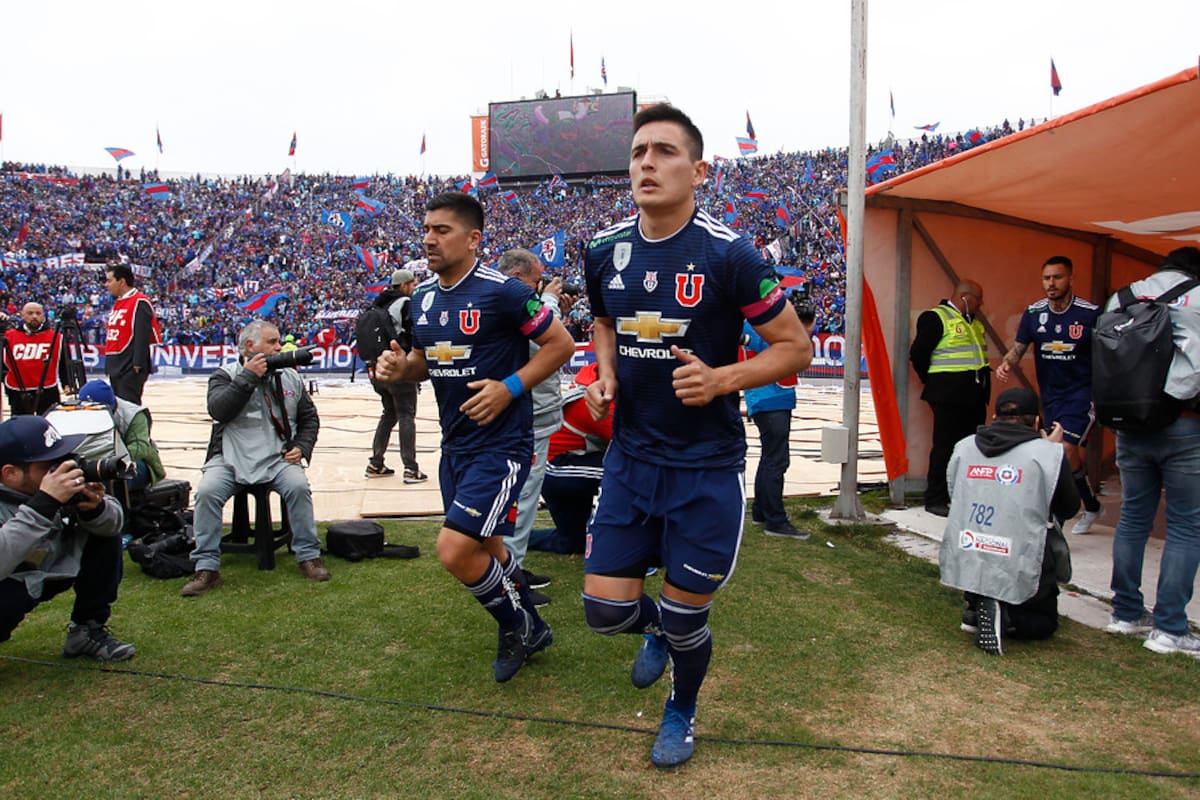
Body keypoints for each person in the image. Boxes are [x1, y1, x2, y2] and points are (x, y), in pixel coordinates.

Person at [581, 104, 811, 768]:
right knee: (604, 612)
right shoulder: (604, 250)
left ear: (699, 170)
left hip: (706, 467)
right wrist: (604, 374)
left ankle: (682, 709)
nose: (646, 164)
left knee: (688, 622)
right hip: (630, 459)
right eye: (637, 153)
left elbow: (793, 347)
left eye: (664, 152)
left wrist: (722, 381)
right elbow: (602, 319)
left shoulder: (729, 254)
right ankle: (658, 631)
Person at [375, 192, 574, 682]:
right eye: (426, 229)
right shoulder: (420, 298)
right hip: (455, 445)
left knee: (454, 549)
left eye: (442, 230)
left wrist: (509, 388)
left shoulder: (503, 291)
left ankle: (517, 625)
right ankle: (535, 626)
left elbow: (561, 343)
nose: (429, 239)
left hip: (501, 445)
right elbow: (425, 363)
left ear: (473, 238)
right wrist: (402, 368)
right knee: (489, 545)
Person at [180, 319, 330, 596]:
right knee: (207, 492)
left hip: (278, 458)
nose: (279, 347)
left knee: (298, 487)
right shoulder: (224, 375)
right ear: (250, 346)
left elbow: (309, 419)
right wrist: (248, 377)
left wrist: (302, 445)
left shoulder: (290, 376)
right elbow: (219, 410)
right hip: (229, 457)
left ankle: (308, 556)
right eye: (272, 342)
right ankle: (206, 567)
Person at [1104, 246, 1200, 658]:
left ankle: (1125, 614)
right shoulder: (1197, 296)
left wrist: (1141, 411)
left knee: (1133, 517)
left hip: (1129, 423)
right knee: (1184, 526)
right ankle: (1169, 629)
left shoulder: (1122, 296)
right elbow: (1196, 366)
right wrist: (1167, 405)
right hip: (1182, 424)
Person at [939, 388, 1079, 656]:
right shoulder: (1047, 454)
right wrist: (1051, 449)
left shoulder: (964, 447)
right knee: (1044, 624)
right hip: (1022, 555)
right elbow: (1068, 507)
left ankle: (976, 609)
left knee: (986, 545)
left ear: (994, 417)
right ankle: (1009, 618)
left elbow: (955, 493)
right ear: (1037, 422)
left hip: (972, 550)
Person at [0, 415, 135, 661]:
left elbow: (114, 522)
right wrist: (44, 505)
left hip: (38, 574)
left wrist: (96, 509)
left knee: (102, 529)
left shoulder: (55, 489)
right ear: (11, 474)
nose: (61, 469)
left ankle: (86, 631)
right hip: (10, 585)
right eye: (49, 465)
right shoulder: (44, 497)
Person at [996, 256, 1103, 534]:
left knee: (1064, 449)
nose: (1051, 283)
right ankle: (1090, 505)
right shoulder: (1034, 313)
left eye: (1057, 277)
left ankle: (1056, 515)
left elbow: (1107, 352)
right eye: (1047, 278)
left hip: (1082, 393)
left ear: (1070, 279)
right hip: (1051, 396)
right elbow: (1020, 346)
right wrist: (1007, 362)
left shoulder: (1090, 313)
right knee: (1064, 453)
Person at [496, 248, 566, 602]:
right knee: (522, 496)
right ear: (519, 277)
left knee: (519, 495)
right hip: (528, 414)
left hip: (531, 411)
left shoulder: (504, 299)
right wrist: (550, 304)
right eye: (536, 281)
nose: (539, 288)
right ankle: (512, 579)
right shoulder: (511, 301)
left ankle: (509, 569)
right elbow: (539, 348)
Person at [909, 279, 990, 517]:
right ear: (965, 297)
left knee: (971, 447)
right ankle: (936, 498)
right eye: (978, 300)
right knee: (945, 447)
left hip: (974, 396)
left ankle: (962, 494)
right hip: (948, 396)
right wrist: (935, 383)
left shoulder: (972, 323)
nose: (981, 305)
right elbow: (918, 355)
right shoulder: (935, 318)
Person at [742, 305, 815, 539]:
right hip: (770, 397)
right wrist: (801, 328)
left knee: (770, 458)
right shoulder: (761, 327)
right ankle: (775, 519)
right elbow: (792, 348)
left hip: (769, 396)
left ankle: (762, 512)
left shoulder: (756, 326)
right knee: (776, 460)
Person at [529, 362, 611, 555]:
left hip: (559, 465)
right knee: (632, 471)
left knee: (572, 543)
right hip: (556, 467)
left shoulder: (597, 382)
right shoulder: (601, 398)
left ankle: (513, 538)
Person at [365, 268, 427, 483]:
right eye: (412, 285)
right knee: (406, 414)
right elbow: (412, 333)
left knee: (389, 413)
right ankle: (410, 468)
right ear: (404, 286)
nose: (414, 288)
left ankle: (376, 462)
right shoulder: (404, 304)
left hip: (377, 367)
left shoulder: (378, 304)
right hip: (398, 366)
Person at [77, 379, 165, 490]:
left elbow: (140, 446)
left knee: (121, 475)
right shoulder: (76, 412)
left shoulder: (133, 414)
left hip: (135, 460)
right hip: (93, 459)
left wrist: (110, 460)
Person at [103, 263, 162, 405]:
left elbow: (142, 333)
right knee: (117, 407)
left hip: (129, 366)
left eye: (109, 280)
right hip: (115, 364)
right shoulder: (118, 302)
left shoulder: (139, 301)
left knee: (129, 408)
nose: (106, 285)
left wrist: (137, 363)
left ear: (121, 281)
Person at [3, 302, 69, 416]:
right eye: (30, 313)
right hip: (17, 391)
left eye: (38, 313)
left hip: (48, 390)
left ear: (43, 316)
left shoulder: (56, 337)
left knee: (48, 427)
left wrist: (66, 383)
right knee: (20, 429)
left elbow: (63, 363)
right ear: (22, 315)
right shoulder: (8, 337)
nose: (34, 316)